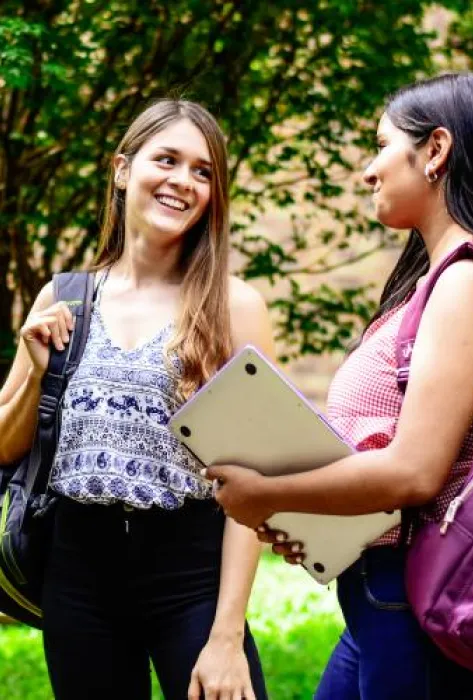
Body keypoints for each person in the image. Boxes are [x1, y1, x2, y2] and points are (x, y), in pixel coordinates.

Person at [203, 72, 473, 699]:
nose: (367, 171)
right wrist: (309, 510)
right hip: (378, 596)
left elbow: (414, 473)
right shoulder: (428, 283)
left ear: (434, 151)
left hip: (412, 597)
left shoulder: (461, 283)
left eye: (381, 146)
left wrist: (269, 494)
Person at [0, 99, 272, 700]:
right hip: (77, 572)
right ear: (123, 170)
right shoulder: (65, 296)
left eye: (203, 171)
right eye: (167, 159)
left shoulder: (235, 306)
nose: (183, 181)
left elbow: (256, 483)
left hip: (190, 571)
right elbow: (4, 444)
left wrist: (226, 637)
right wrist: (35, 376)